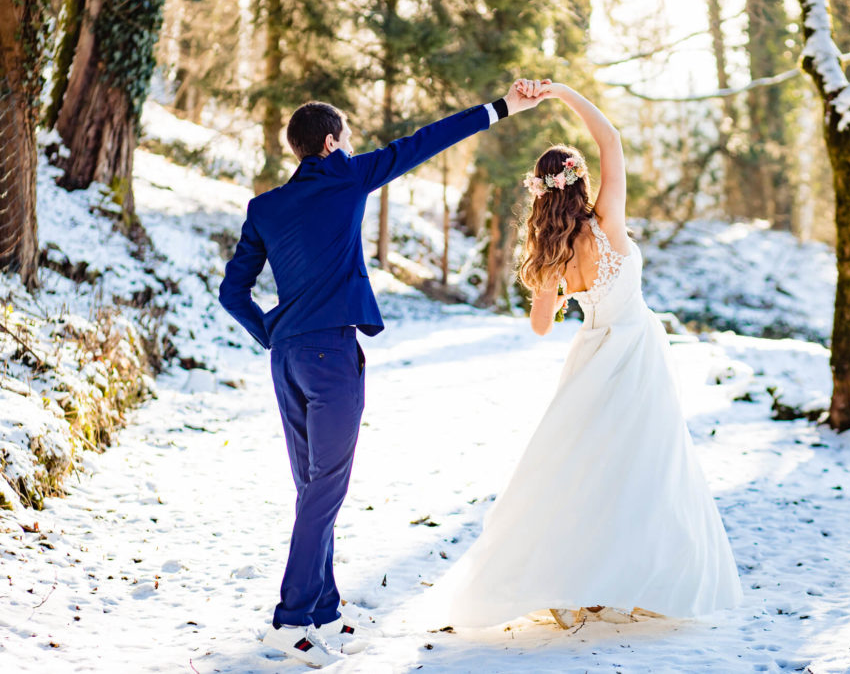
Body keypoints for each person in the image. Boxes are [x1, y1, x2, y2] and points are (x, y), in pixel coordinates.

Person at [218, 81, 545, 666]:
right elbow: (427, 141)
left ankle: (326, 611)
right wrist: (501, 107)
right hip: (331, 359)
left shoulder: (264, 207)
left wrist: (272, 331)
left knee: (312, 488)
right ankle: (289, 621)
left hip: (286, 357)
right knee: (324, 490)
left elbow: (232, 291)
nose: (350, 146)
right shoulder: (346, 175)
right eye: (345, 139)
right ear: (329, 142)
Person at [431, 80, 743, 628]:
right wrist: (561, 92)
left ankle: (575, 584)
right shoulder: (609, 225)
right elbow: (612, 141)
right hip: (639, 353)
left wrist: (548, 278)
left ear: (541, 194)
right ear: (579, 183)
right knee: (641, 469)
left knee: (579, 471)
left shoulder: (550, 255)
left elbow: (540, 327)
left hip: (591, 359)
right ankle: (617, 580)